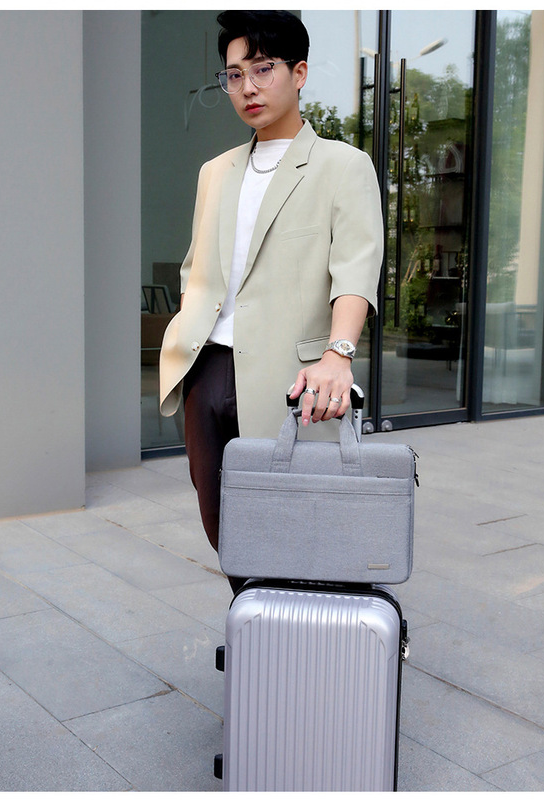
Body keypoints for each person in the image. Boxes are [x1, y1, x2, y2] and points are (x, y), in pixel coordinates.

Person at [159, 10, 384, 571]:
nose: (248, 88)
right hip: (208, 370)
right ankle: (257, 619)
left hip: (292, 378)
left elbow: (355, 272)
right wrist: (187, 330)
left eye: (262, 69)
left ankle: (291, 622)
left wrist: (338, 354)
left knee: (292, 526)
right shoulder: (215, 171)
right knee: (222, 523)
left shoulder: (343, 166)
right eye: (234, 75)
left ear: (299, 73)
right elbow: (196, 267)